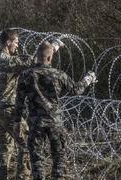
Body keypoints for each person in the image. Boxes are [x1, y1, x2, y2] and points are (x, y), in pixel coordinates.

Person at [14, 40, 97, 180]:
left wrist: (17, 122)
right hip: (54, 122)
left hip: (35, 123)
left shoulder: (25, 75)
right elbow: (76, 89)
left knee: (37, 158)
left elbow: (19, 101)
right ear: (50, 58)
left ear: (37, 56)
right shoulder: (58, 74)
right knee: (59, 156)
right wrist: (89, 79)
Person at [0, 29, 32, 180]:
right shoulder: (6, 60)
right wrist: (53, 47)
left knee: (4, 146)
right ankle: (22, 177)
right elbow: (34, 61)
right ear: (8, 42)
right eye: (16, 43)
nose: (17, 46)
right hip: (7, 109)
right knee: (27, 141)